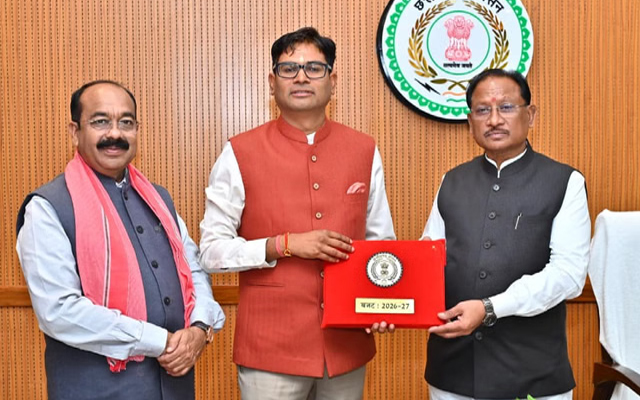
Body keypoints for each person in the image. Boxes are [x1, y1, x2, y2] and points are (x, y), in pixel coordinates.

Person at [199, 27, 396, 400]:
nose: (302, 77)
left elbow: (380, 243)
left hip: (347, 346)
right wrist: (282, 245)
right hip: (270, 349)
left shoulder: (364, 149)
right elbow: (211, 252)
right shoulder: (239, 152)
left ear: (332, 81)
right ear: (272, 82)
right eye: (288, 69)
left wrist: (383, 305)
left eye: (314, 68)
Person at [16, 80, 225, 400]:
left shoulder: (159, 199)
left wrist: (199, 327)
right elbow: (59, 311)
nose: (115, 133)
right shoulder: (48, 208)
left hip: (173, 388)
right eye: (100, 121)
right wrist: (161, 342)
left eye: (126, 122)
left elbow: (193, 268)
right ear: (75, 132)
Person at [421, 69, 590, 400]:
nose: (494, 119)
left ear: (531, 115)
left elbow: (568, 276)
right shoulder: (451, 181)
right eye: (483, 110)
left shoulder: (564, 182)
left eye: (507, 107)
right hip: (453, 372)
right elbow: (429, 260)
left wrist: (490, 307)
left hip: (533, 375)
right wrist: (389, 307)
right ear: (470, 121)